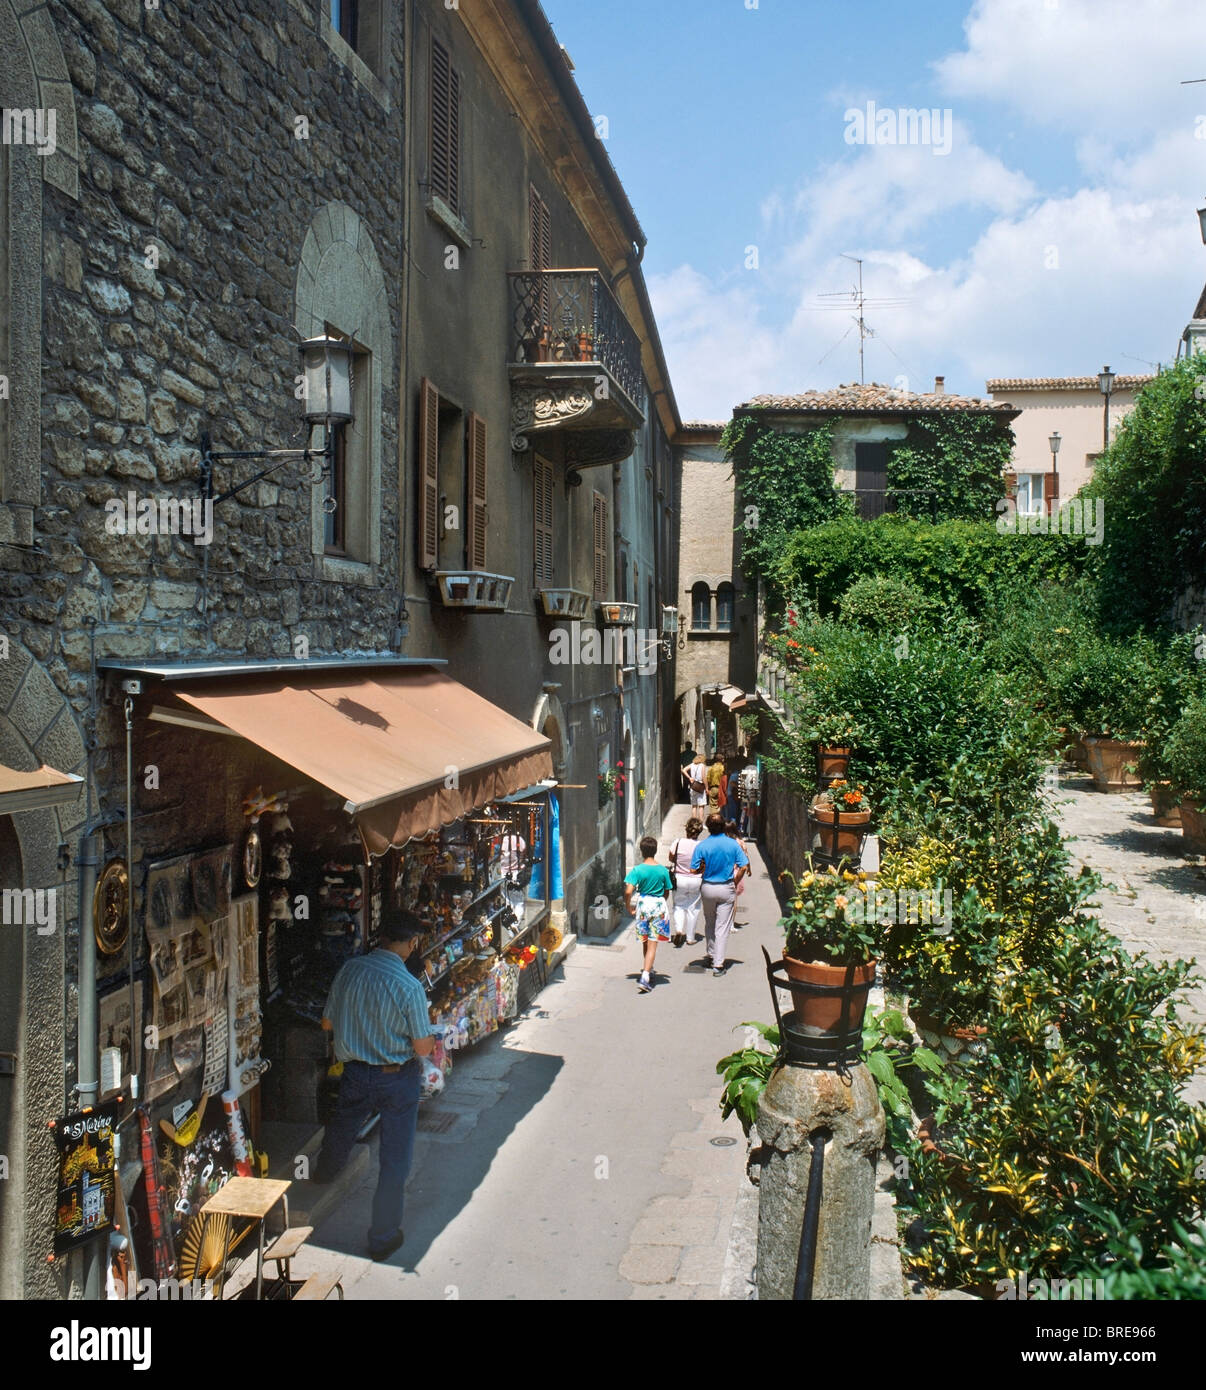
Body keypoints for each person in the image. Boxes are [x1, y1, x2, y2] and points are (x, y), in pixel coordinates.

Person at [316, 909, 435, 1261]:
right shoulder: (410, 987)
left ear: (381, 937)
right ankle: (382, 1238)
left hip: (355, 1072)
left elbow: (326, 1024)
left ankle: (324, 1172)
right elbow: (422, 1048)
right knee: (394, 1158)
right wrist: (429, 1035)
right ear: (413, 944)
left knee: (344, 1123)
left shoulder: (350, 969)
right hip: (396, 1078)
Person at [691, 812, 749, 977]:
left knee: (710, 922)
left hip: (708, 887)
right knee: (722, 927)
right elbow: (743, 866)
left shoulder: (702, 846)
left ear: (708, 828)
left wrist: (704, 868)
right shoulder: (732, 845)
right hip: (725, 886)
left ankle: (711, 955)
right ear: (723, 826)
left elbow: (693, 869)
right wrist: (736, 881)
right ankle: (718, 964)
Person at [624, 835, 674, 993]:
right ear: (655, 850)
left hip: (643, 905)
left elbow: (628, 891)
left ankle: (648, 968)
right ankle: (645, 976)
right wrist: (661, 901)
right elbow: (667, 891)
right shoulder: (663, 870)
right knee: (653, 942)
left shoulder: (637, 870)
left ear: (641, 851)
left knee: (645, 941)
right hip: (658, 905)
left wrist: (628, 907)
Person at [667, 817, 704, 948]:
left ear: (686, 829)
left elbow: (671, 857)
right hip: (696, 879)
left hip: (679, 879)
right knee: (693, 908)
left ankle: (678, 930)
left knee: (678, 906)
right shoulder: (701, 846)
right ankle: (690, 937)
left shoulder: (677, 842)